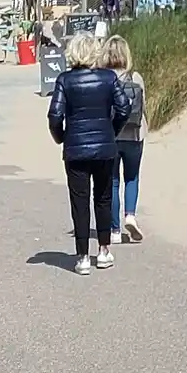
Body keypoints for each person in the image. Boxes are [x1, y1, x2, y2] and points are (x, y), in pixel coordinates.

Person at [47, 33, 131, 275]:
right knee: (103, 198)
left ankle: (83, 256)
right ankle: (104, 251)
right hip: (104, 147)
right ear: (95, 51)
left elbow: (55, 115)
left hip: (75, 149)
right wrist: (111, 131)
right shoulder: (108, 78)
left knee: (79, 202)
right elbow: (124, 107)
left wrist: (61, 137)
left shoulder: (65, 80)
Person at [100, 35, 146, 243]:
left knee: (113, 181)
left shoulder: (102, 78)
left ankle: (115, 230)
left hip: (111, 134)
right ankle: (130, 215)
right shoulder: (135, 77)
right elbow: (143, 107)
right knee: (132, 177)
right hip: (135, 134)